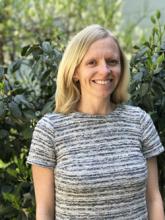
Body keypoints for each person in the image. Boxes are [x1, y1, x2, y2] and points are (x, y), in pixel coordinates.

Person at [27, 24, 165, 220]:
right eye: (92, 62)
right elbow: (44, 210)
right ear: (75, 71)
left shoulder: (140, 121)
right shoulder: (50, 129)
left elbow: (153, 198)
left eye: (112, 61)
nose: (105, 70)